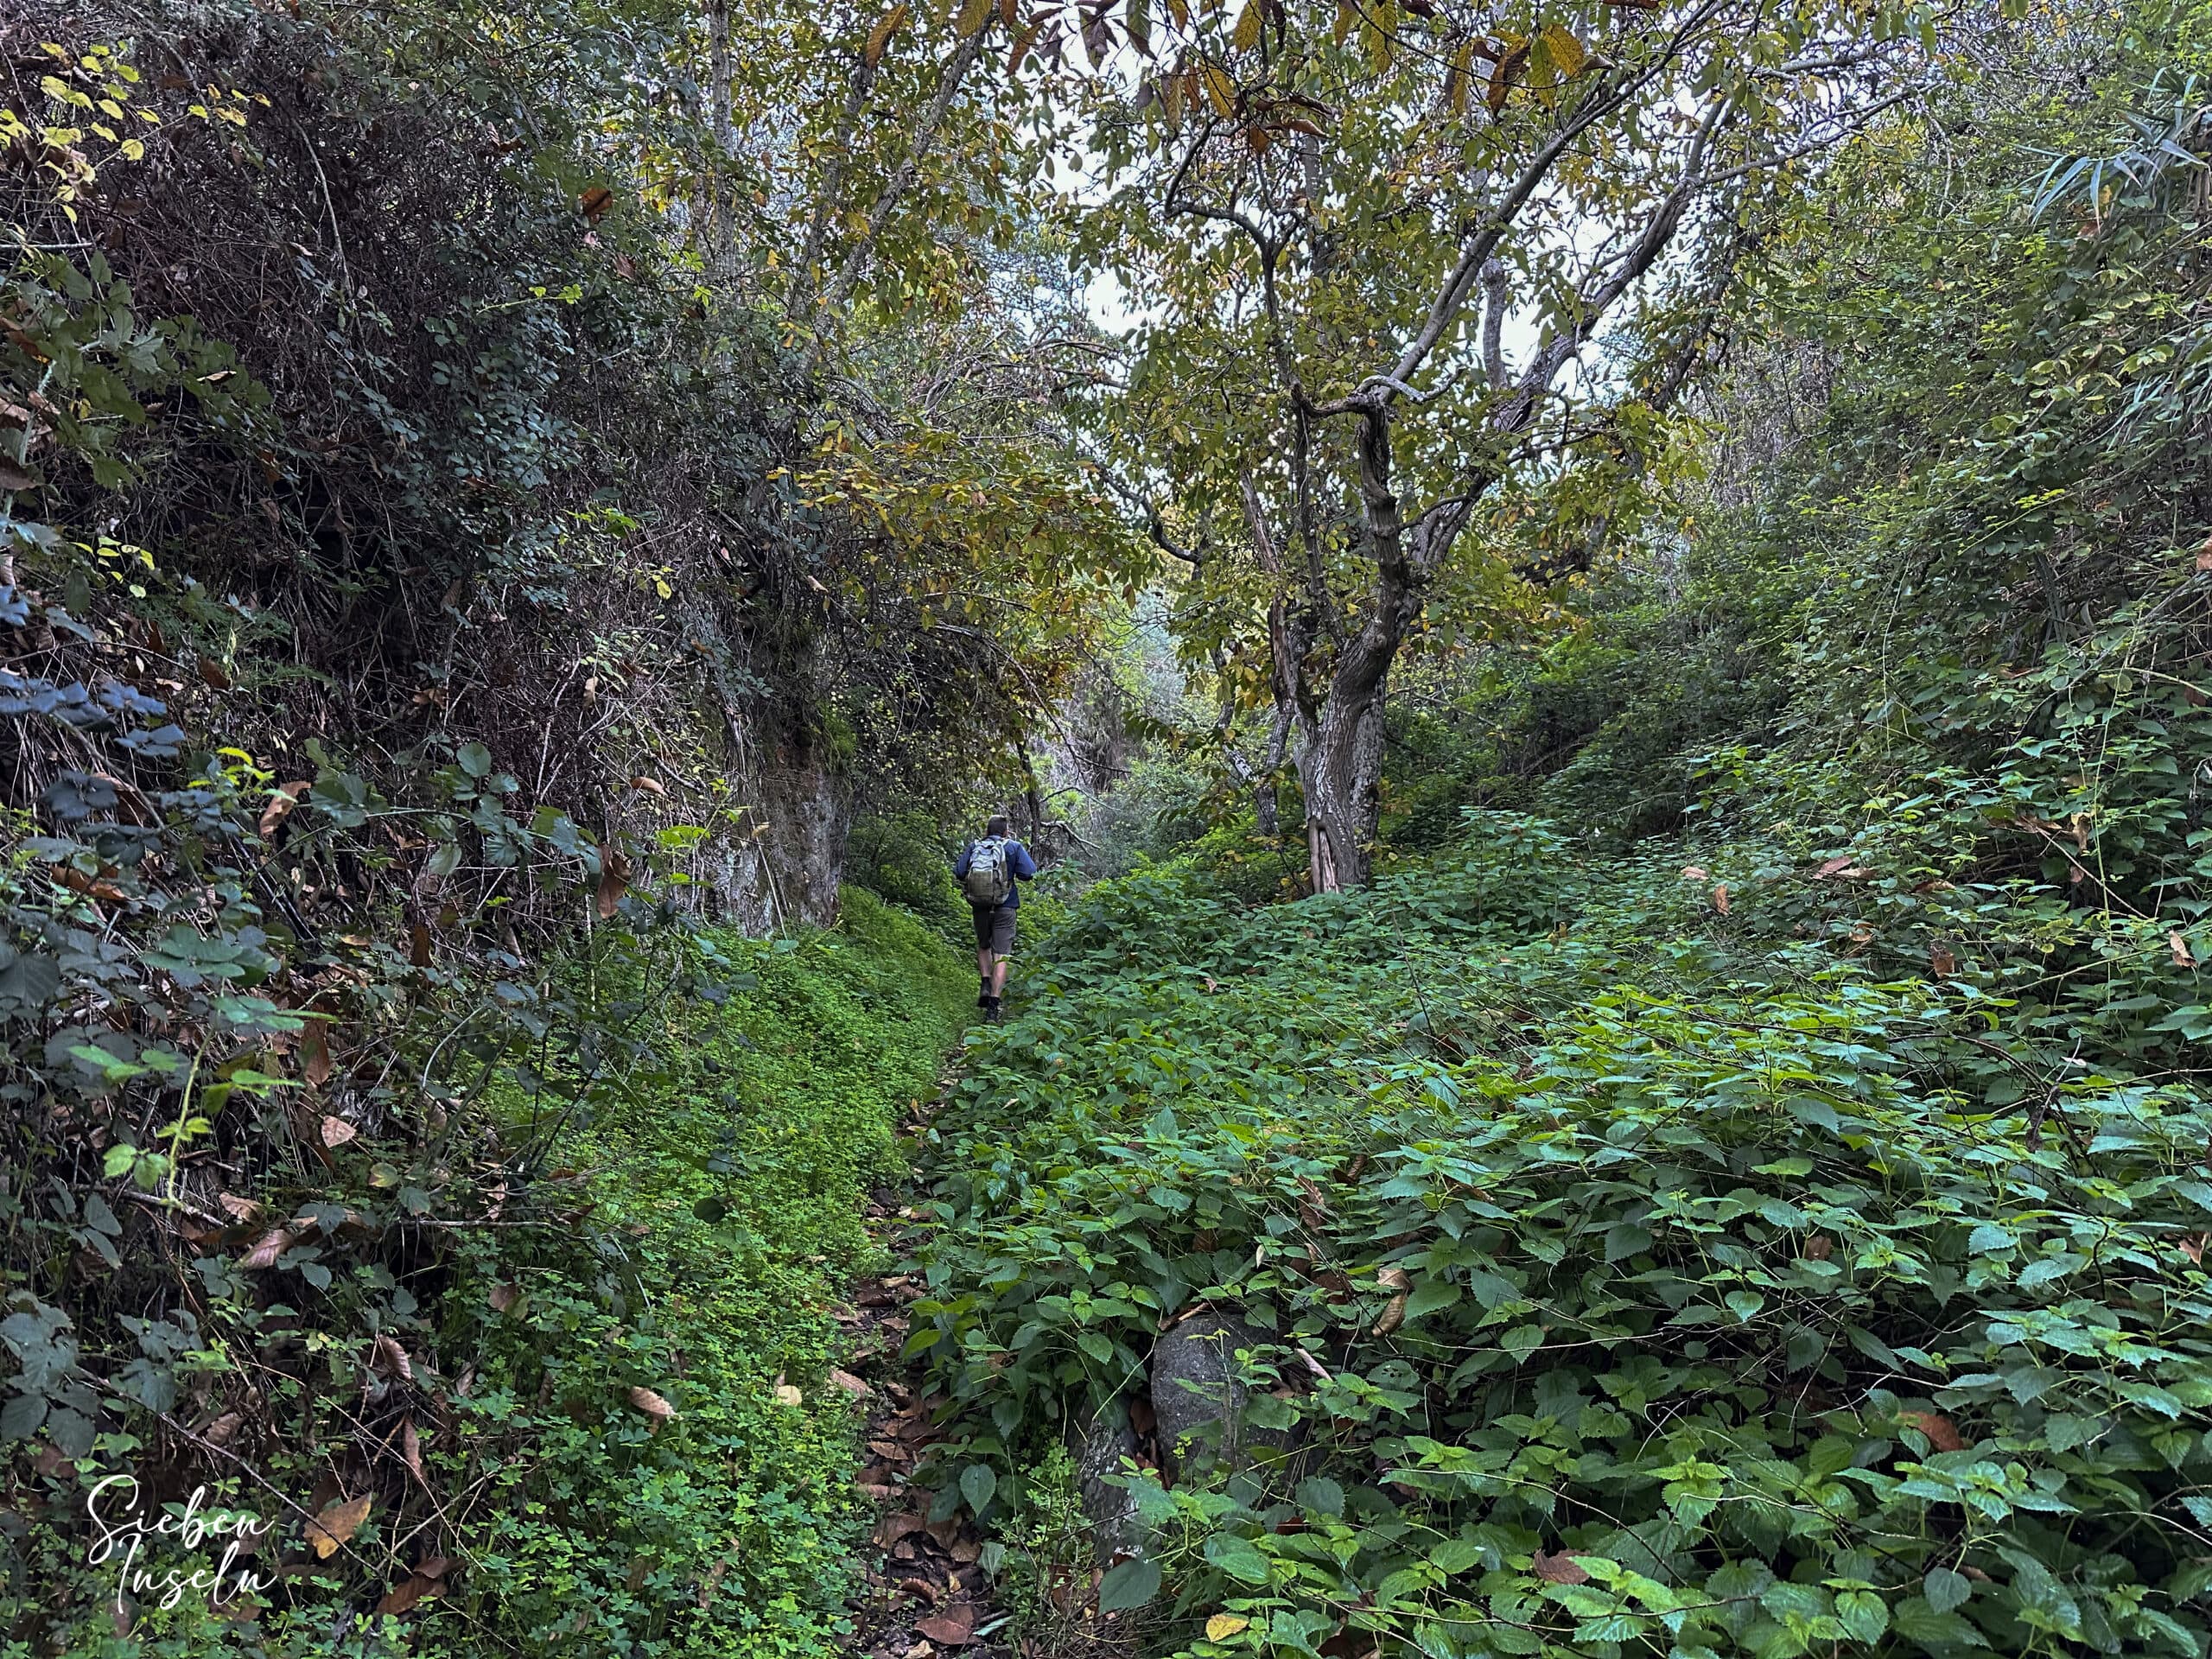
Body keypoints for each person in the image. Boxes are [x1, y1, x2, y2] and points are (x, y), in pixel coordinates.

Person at [955, 814, 1037, 1023]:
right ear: (1005, 832)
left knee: (984, 945)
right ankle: (993, 1007)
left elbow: (959, 871)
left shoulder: (975, 846)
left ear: (987, 831)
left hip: (980, 906)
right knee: (1001, 955)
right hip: (1005, 907)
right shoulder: (1013, 847)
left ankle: (984, 982)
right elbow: (1029, 873)